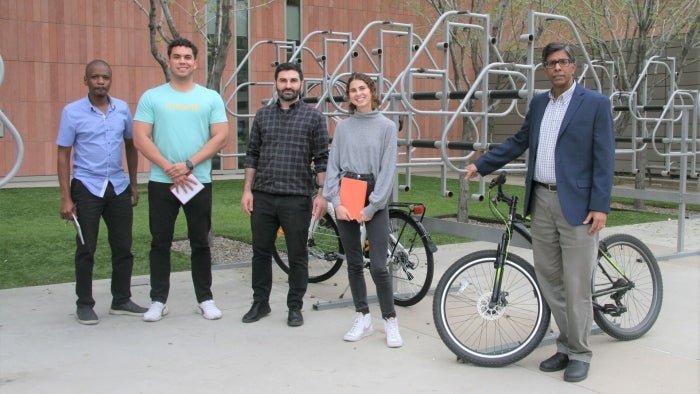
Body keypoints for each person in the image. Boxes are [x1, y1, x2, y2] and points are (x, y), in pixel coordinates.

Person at [465, 42, 615, 381]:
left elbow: (605, 158)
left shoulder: (595, 104)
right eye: (551, 64)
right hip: (542, 201)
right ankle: (565, 345)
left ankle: (579, 352)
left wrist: (600, 205)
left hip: (578, 206)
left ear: (574, 66)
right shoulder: (538, 104)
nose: (557, 68)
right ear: (545, 69)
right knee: (550, 279)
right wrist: (482, 164)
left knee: (576, 283)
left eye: (563, 62)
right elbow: (519, 141)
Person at [133, 38, 229, 322]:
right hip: (162, 182)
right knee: (159, 241)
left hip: (197, 181)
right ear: (169, 60)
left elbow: (221, 136)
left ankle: (206, 298)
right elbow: (140, 137)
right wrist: (168, 167)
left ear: (195, 62)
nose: (183, 61)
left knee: (200, 241)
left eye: (188, 57)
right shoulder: (152, 97)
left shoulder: (210, 97)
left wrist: (188, 165)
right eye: (177, 56)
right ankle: (158, 300)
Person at [57, 59, 147, 325]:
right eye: (95, 77)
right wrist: (65, 197)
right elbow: (63, 155)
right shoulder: (72, 112)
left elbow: (131, 145)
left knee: (123, 247)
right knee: (86, 248)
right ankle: (84, 304)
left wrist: (132, 182)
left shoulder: (121, 110)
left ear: (110, 80)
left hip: (117, 187)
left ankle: (121, 299)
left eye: (105, 77)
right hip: (86, 187)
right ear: (85, 80)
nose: (100, 82)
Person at [241, 62, 329, 327]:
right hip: (264, 196)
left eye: (293, 80)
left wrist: (322, 193)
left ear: (300, 84)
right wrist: (247, 189)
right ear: (276, 83)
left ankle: (295, 306)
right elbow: (252, 154)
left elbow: (323, 158)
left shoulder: (314, 118)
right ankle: (260, 302)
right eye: (283, 80)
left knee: (297, 255)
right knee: (260, 253)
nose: (288, 85)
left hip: (297, 197)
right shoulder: (263, 116)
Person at [322, 73, 402, 348]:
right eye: (353, 90)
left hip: (374, 194)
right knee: (354, 262)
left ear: (371, 91)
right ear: (349, 97)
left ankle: (390, 320)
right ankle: (362, 317)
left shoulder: (387, 127)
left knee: (379, 265)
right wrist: (336, 202)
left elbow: (388, 169)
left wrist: (373, 206)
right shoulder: (343, 128)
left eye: (362, 88)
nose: (358, 93)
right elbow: (333, 166)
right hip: (347, 192)